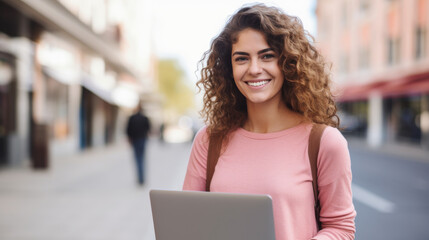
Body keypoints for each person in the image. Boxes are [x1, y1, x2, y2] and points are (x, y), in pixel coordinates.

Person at [183, 4, 356, 240]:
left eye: (267, 56)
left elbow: (341, 229)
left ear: (287, 62)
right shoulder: (208, 140)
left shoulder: (324, 142)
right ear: (229, 68)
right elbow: (187, 222)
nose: (254, 69)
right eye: (242, 58)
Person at [126, 101, 150, 185]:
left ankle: (140, 178)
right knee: (142, 159)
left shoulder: (132, 118)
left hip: (135, 140)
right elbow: (148, 129)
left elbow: (128, 130)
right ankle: (142, 178)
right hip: (142, 140)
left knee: (137, 159)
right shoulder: (145, 118)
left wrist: (129, 139)